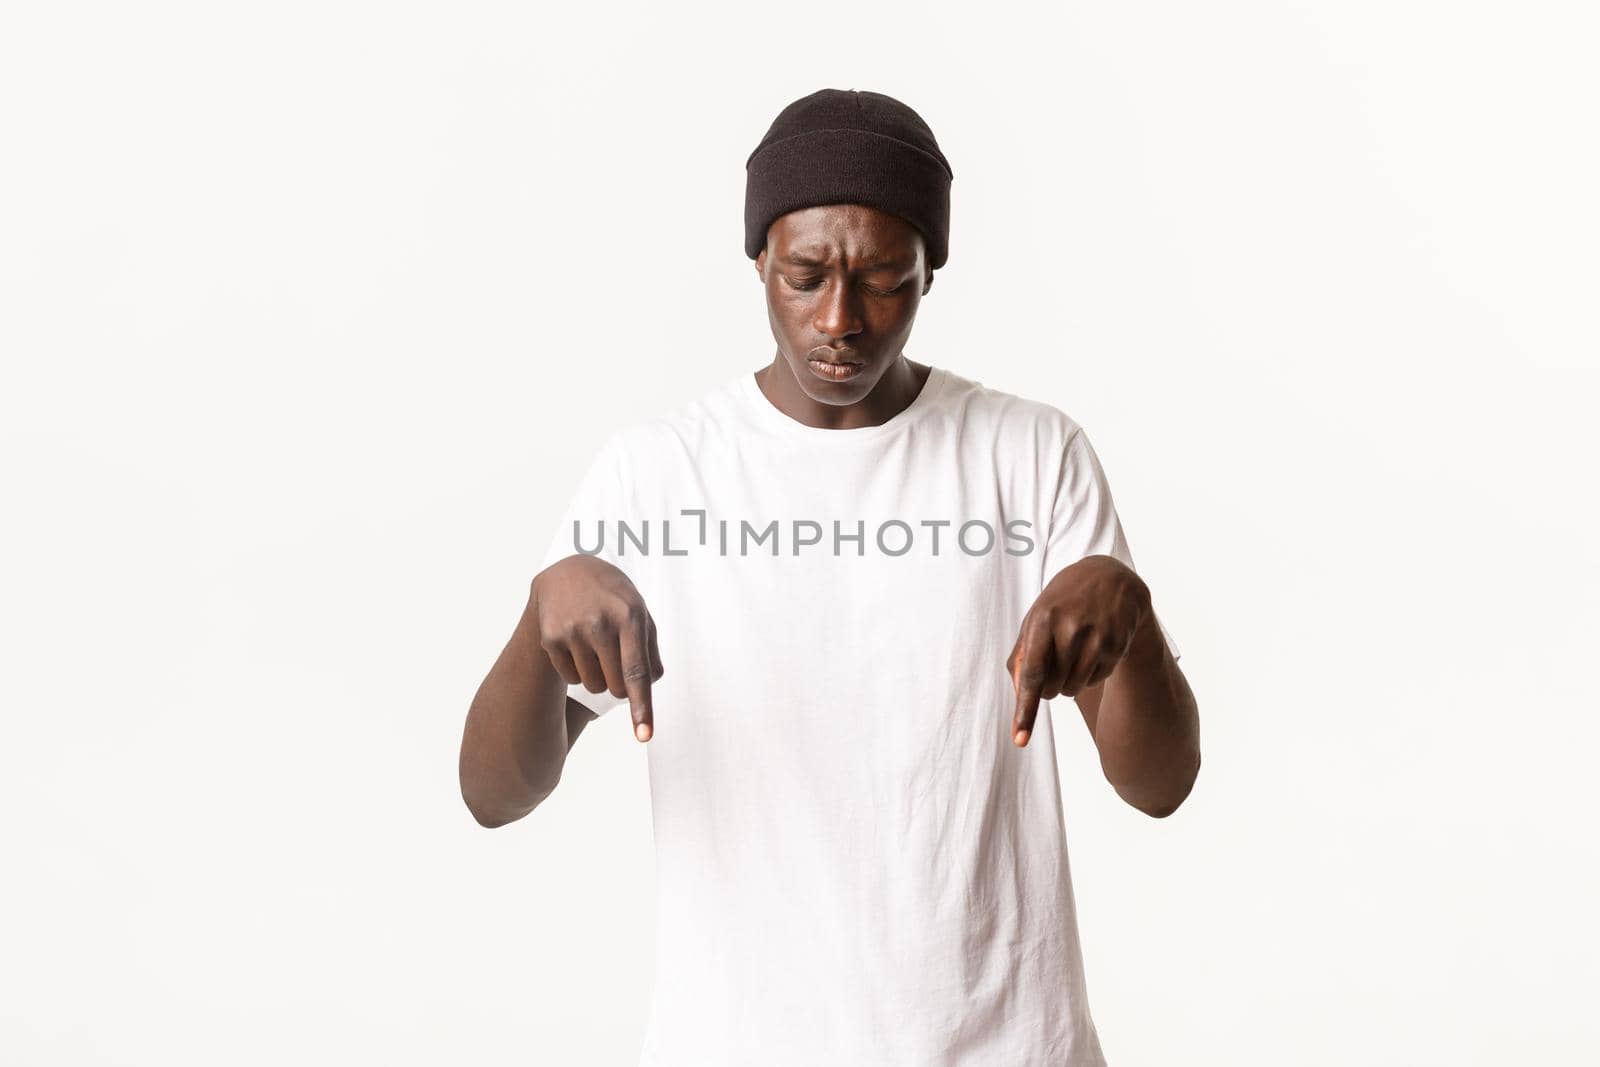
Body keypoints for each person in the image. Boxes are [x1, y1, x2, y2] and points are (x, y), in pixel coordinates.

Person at [459, 87, 1201, 1067]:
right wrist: (535, 625)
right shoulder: (660, 472)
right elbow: (492, 793)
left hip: (1006, 1043)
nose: (841, 317)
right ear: (758, 260)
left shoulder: (1029, 454)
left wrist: (1130, 611)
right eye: (805, 274)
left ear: (931, 269)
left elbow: (1158, 783)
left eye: (884, 276)